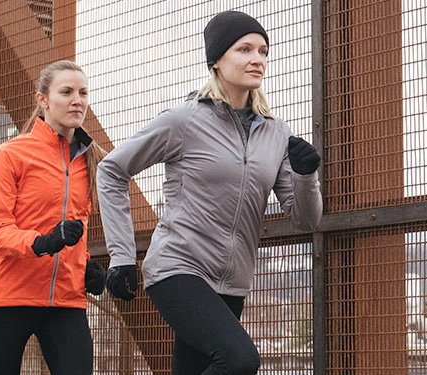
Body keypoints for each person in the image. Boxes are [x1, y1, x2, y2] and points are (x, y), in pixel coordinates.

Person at [98, 10, 322, 375]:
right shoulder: (184, 120)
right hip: (178, 268)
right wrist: (122, 255)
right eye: (245, 49)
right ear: (216, 60)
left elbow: (305, 219)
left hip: (232, 282)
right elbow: (111, 169)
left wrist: (306, 175)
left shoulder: (276, 133)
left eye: (263, 51)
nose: (257, 59)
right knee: (239, 360)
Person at [0, 60, 109, 375]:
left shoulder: (89, 161)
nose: (77, 100)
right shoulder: (11, 155)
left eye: (83, 92)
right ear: (43, 100)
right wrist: (42, 242)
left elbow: (76, 230)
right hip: (8, 299)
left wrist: (86, 265)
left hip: (65, 302)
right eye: (66, 92)